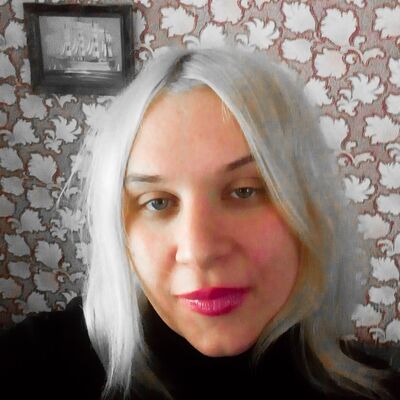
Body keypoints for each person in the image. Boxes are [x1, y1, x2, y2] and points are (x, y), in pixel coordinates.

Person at [0, 48, 397, 400]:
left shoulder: (375, 390)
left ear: (307, 204)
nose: (199, 250)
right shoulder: (37, 365)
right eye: (157, 202)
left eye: (244, 191)